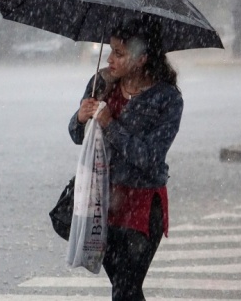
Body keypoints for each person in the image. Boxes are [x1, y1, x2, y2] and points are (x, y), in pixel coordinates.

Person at [68, 18, 183, 301]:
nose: (110, 60)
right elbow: (78, 136)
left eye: (119, 53)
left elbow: (149, 158)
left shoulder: (167, 99)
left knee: (125, 289)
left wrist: (111, 125)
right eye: (110, 51)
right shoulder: (100, 84)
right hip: (102, 203)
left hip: (142, 207)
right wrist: (80, 118)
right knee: (125, 290)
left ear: (142, 58)